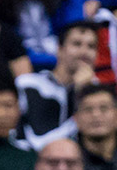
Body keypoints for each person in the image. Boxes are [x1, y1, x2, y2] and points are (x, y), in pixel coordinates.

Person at [15, 22, 97, 151]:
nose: (84, 52)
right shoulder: (28, 85)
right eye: (77, 44)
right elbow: (40, 142)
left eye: (91, 46)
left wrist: (85, 92)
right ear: (59, 49)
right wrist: (76, 93)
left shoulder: (99, 93)